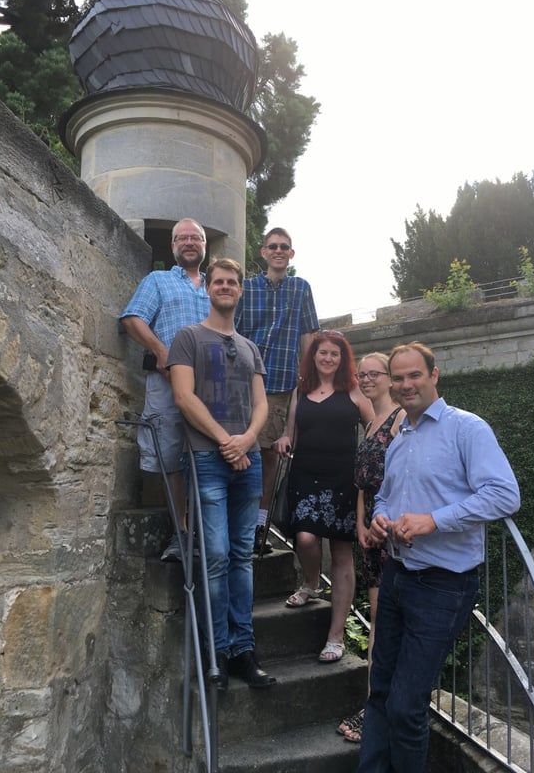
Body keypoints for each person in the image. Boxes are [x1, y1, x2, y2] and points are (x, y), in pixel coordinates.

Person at [358, 341, 520, 773]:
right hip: (397, 575)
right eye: (399, 377)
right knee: (379, 693)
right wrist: (379, 520)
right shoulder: (400, 439)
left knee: (407, 706)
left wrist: (435, 520)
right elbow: (385, 498)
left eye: (415, 375)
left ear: (434, 375)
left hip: (444, 585)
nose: (406, 384)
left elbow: (505, 495)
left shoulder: (467, 429)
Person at [167, 257, 276, 691]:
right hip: (209, 460)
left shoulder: (250, 347)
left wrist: (247, 439)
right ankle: (215, 654)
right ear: (208, 288)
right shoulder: (188, 337)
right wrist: (225, 442)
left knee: (241, 559)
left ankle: (243, 651)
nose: (226, 286)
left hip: (246, 462)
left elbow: (262, 403)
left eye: (233, 281)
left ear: (239, 290)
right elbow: (183, 397)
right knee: (214, 558)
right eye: (219, 281)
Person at [273, 331, 374, 663]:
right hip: (305, 476)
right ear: (313, 356)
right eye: (323, 353)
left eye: (335, 354)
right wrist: (285, 441)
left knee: (343, 554)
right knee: (304, 538)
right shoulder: (300, 391)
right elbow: (291, 430)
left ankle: (335, 635)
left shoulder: (355, 392)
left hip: (344, 481)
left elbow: (376, 433)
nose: (328, 358)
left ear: (343, 359)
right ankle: (312, 583)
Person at [120, 218, 210, 561]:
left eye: (196, 237)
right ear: (173, 246)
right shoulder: (157, 280)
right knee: (171, 456)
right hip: (168, 381)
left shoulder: (216, 284)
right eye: (182, 237)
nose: (189, 242)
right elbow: (132, 319)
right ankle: (182, 533)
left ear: (204, 245)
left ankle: (207, 531)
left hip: (211, 389)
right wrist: (161, 351)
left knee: (207, 455)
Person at [236, 227, 319, 554]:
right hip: (243, 384)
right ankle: (238, 524)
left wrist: (307, 377)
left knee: (269, 458)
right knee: (238, 454)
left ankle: (259, 527)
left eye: (285, 246)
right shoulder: (246, 288)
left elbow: (309, 336)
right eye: (273, 246)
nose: (279, 250)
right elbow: (233, 331)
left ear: (291, 253)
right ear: (263, 252)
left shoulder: (301, 289)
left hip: (281, 385)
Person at [336, 353, 405, 744]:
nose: (366, 380)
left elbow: (401, 475)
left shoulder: (399, 421)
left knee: (387, 617)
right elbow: (363, 483)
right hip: (371, 532)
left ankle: (378, 704)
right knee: (378, 615)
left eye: (374, 374)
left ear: (390, 379)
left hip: (391, 529)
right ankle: (374, 701)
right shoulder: (372, 422)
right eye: (362, 375)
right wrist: (361, 523)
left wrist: (378, 522)